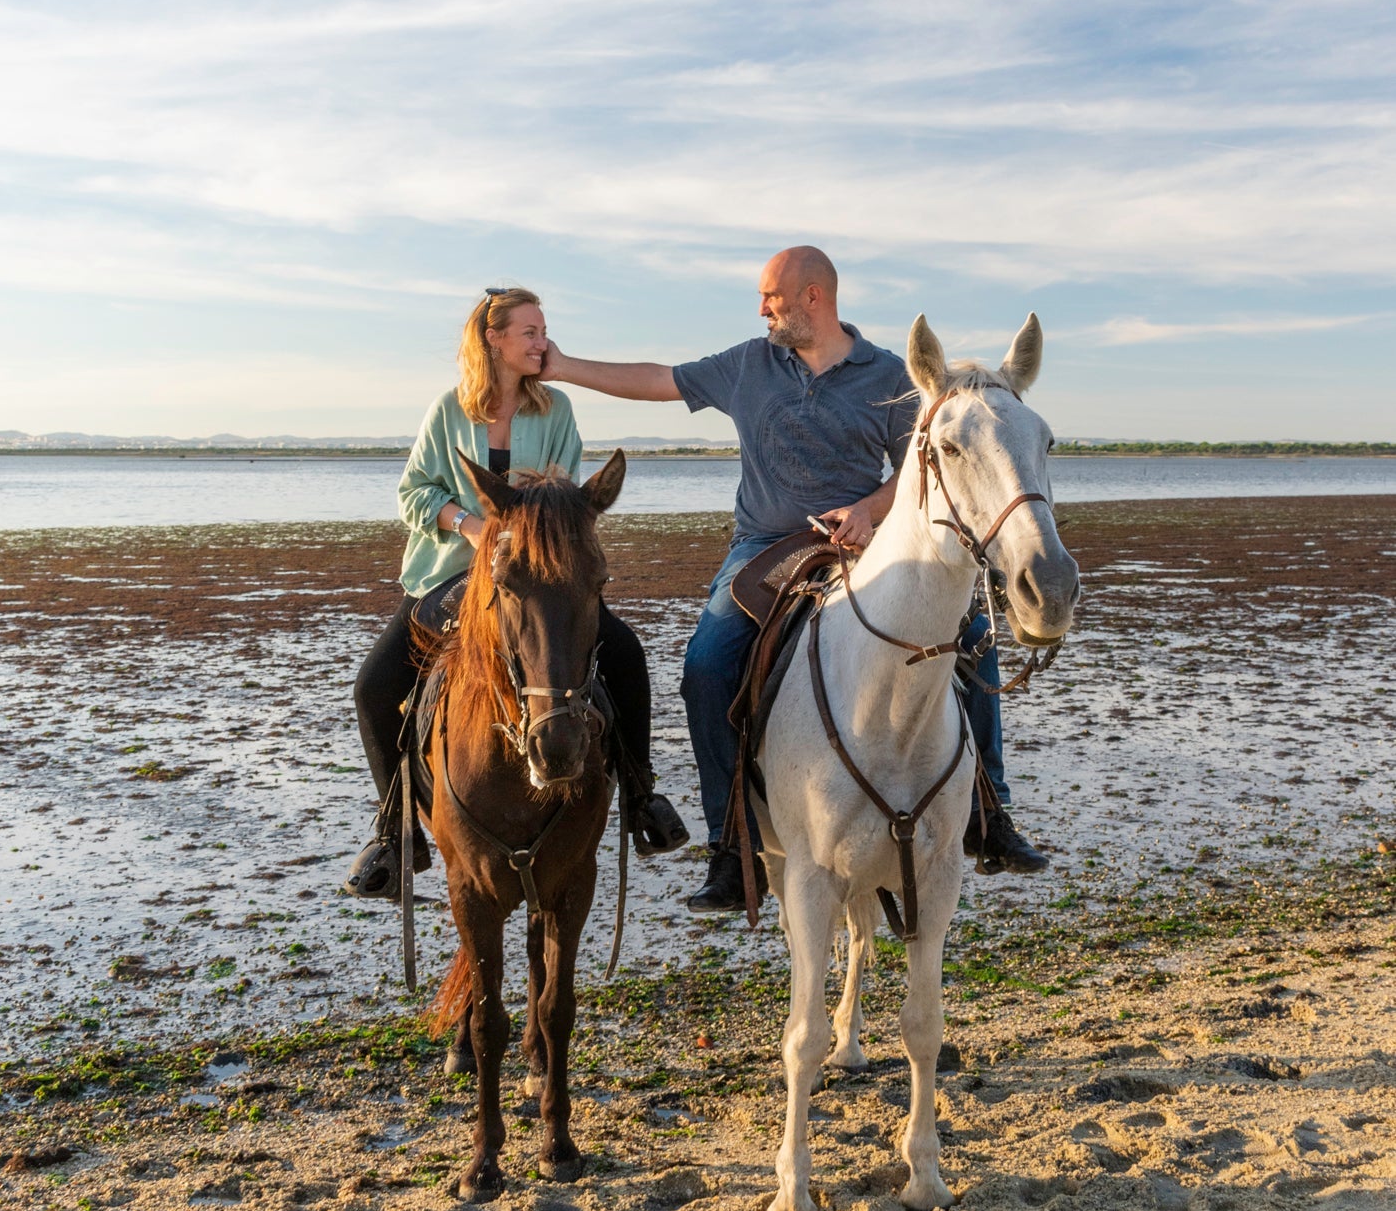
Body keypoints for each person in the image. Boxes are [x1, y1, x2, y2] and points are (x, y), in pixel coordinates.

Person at [543, 245, 1046, 910]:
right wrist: (564, 366)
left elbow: (923, 467)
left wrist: (868, 510)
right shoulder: (749, 364)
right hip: (763, 545)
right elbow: (657, 378)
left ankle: (990, 814)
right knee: (706, 664)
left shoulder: (890, 375)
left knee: (971, 635)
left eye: (770, 298)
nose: (761, 309)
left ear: (814, 297)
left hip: (866, 542)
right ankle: (734, 846)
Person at [345, 285, 686, 900]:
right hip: (450, 573)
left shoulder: (555, 410)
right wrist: (471, 526)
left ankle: (642, 798)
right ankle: (394, 834)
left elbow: (565, 496)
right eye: (529, 332)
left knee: (628, 655)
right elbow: (413, 492)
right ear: (493, 339)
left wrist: (527, 533)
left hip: (542, 578)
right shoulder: (448, 410)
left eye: (543, 331)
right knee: (373, 686)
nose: (541, 342)